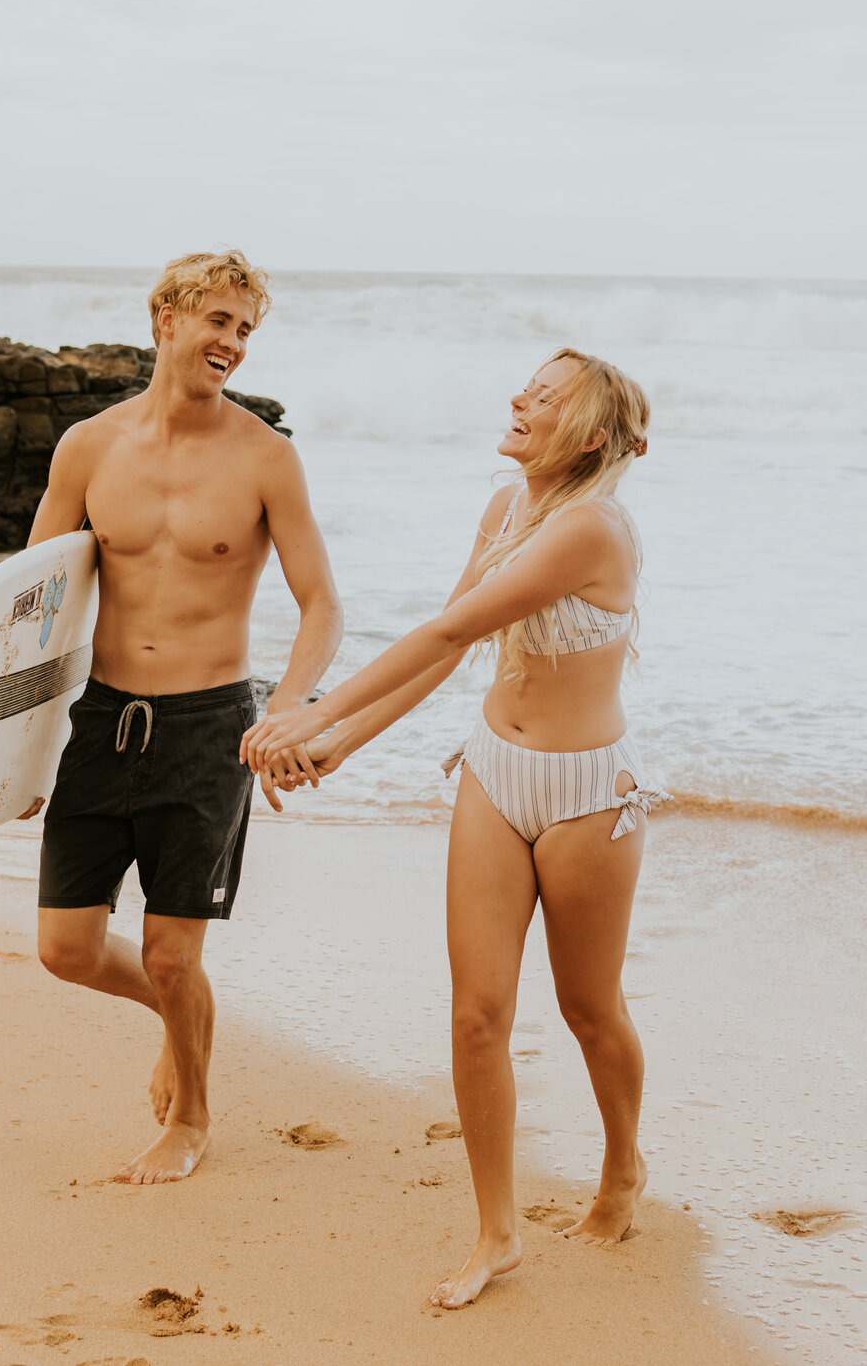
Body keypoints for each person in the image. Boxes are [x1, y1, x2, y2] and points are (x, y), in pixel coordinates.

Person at [240, 348, 661, 1308]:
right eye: (526, 385)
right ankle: (497, 1232)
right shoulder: (506, 509)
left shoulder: (589, 529)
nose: (520, 399)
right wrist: (343, 740)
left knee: (590, 1008)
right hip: (495, 773)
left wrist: (307, 712)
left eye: (545, 398)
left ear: (590, 436)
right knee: (477, 1013)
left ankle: (624, 1162)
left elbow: (441, 636)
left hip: (590, 794)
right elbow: (452, 639)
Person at [24, 250, 341, 1185]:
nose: (233, 343)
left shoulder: (266, 458)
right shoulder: (87, 446)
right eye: (220, 322)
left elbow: (321, 602)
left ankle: (192, 1116)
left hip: (208, 729)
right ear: (167, 317)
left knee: (171, 950)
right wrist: (14, 747)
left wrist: (287, 710)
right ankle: (179, 1012)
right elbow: (30, 611)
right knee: (66, 949)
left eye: (246, 329)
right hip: (102, 719)